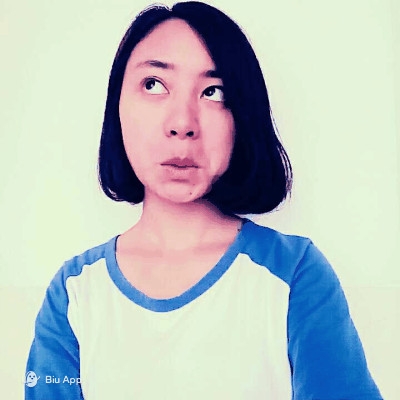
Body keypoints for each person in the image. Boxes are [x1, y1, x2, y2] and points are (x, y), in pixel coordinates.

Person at [25, 2, 383, 399]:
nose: (182, 123)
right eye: (154, 85)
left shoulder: (293, 273)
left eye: (214, 92)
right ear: (117, 108)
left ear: (241, 116)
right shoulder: (74, 292)